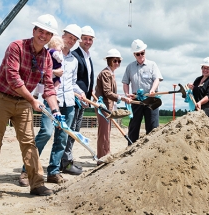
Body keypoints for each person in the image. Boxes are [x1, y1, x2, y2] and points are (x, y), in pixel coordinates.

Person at [0, 14, 60, 198]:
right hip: (1, 98)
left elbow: (49, 87)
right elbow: (13, 79)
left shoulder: (46, 57)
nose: (43, 36)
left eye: (47, 33)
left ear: (51, 37)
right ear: (34, 30)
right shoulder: (16, 47)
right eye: (40, 31)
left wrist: (56, 111)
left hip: (23, 103)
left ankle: (36, 184)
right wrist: (32, 100)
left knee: (29, 143)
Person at [19, 24, 85, 186]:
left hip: (68, 102)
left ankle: (53, 171)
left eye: (75, 39)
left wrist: (81, 92)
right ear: (63, 36)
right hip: (51, 100)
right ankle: (27, 170)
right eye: (69, 37)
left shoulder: (74, 60)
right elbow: (39, 72)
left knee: (62, 138)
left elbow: (72, 82)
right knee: (46, 133)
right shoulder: (48, 53)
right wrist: (53, 72)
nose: (71, 41)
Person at [61, 26, 95, 174]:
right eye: (85, 38)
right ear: (80, 40)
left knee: (76, 130)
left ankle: (67, 160)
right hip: (73, 99)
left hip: (82, 99)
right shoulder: (74, 55)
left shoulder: (87, 56)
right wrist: (80, 96)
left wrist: (89, 95)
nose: (87, 41)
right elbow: (72, 80)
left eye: (90, 39)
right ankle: (65, 162)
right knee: (71, 131)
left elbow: (87, 80)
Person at [95, 49, 132, 164]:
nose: (117, 63)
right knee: (104, 133)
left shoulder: (111, 73)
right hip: (103, 106)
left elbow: (110, 93)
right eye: (115, 60)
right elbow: (107, 92)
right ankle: (102, 157)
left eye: (119, 61)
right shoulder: (106, 73)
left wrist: (123, 96)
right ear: (109, 61)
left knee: (107, 132)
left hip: (107, 106)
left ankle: (106, 154)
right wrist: (121, 98)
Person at [122, 39, 163, 143]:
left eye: (142, 53)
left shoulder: (152, 65)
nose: (140, 55)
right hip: (136, 100)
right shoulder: (130, 67)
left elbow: (157, 79)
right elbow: (125, 82)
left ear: (145, 51)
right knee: (134, 127)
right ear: (134, 54)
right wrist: (127, 94)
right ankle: (131, 148)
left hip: (151, 99)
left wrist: (153, 90)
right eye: (138, 54)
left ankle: (152, 149)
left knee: (153, 127)